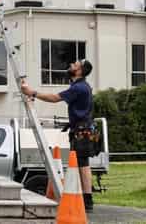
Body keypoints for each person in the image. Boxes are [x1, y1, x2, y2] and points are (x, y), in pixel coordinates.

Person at [20, 59, 96, 212]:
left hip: (82, 130)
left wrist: (32, 92)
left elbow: (55, 98)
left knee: (83, 164)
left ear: (80, 71)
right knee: (82, 164)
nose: (71, 65)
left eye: (75, 64)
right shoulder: (79, 86)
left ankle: (87, 201)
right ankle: (85, 198)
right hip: (82, 129)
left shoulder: (79, 88)